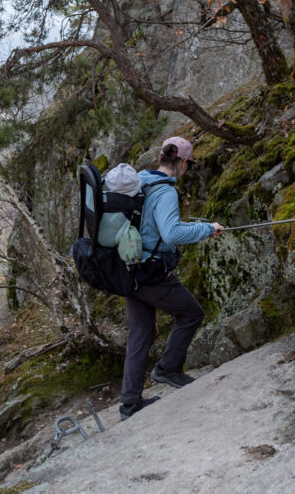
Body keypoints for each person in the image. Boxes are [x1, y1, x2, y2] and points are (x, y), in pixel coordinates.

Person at [120, 136, 224, 421]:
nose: (187, 169)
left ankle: (129, 403)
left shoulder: (140, 182)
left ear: (160, 159)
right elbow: (171, 234)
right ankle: (168, 369)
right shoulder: (165, 192)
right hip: (151, 271)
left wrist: (202, 226)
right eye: (188, 164)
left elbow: (158, 226)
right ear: (181, 163)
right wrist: (206, 230)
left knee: (140, 332)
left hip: (129, 267)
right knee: (191, 313)